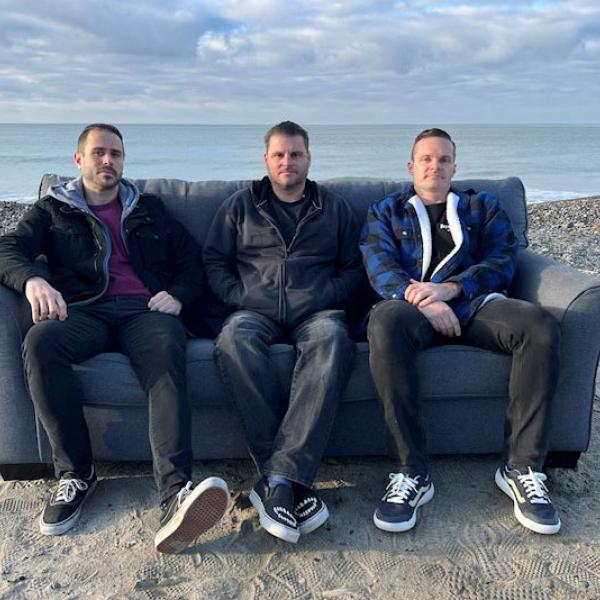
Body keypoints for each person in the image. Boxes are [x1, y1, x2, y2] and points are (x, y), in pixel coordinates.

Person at [0, 123, 229, 553]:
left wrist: (179, 296)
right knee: (41, 342)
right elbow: (7, 248)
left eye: (116, 154)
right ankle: (76, 475)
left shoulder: (150, 208)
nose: (108, 161)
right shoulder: (53, 209)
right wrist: (32, 280)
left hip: (146, 311)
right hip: (84, 310)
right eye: (99, 152)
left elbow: (192, 261)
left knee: (166, 351)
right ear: (79, 159)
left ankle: (175, 494)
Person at [360, 128, 561, 535]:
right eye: (426, 159)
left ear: (455, 167)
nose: (435, 166)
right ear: (411, 166)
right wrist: (426, 302)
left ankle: (521, 468)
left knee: (539, 325)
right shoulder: (386, 211)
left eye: (444, 159)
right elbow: (379, 267)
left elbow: (503, 261)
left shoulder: (482, 206)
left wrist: (451, 290)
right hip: (411, 310)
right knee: (383, 322)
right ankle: (412, 472)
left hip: (474, 306)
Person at [203, 121, 362, 543]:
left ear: (309, 158)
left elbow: (353, 268)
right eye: (279, 154)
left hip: (317, 311)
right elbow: (214, 261)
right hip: (254, 310)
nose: (287, 161)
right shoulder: (240, 206)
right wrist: (239, 295)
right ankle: (289, 481)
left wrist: (327, 294)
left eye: (295, 154)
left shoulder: (335, 208)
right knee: (233, 340)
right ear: (266, 159)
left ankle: (278, 481)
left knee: (333, 340)